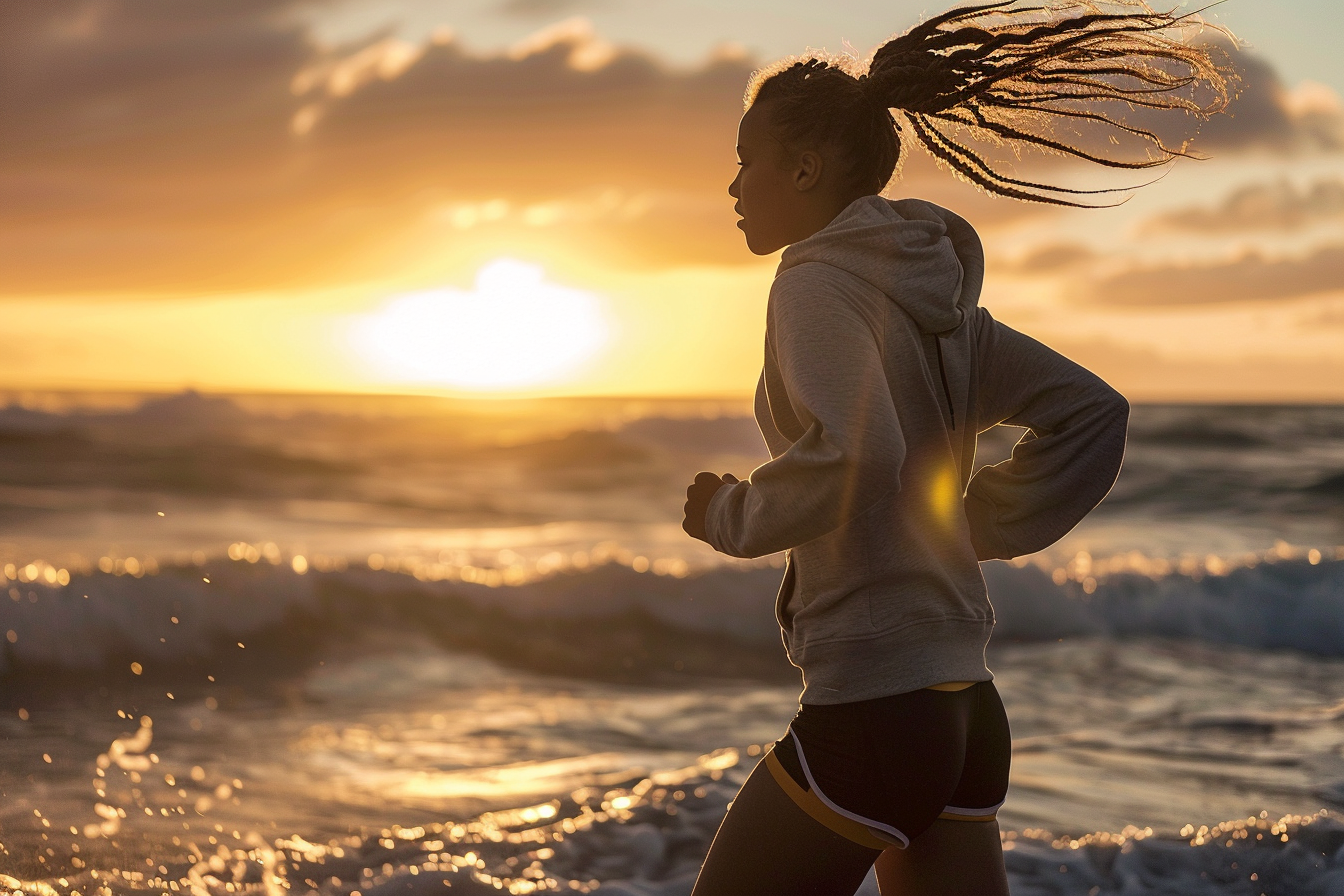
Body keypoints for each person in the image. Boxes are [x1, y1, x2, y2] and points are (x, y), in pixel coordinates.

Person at [679, 2, 1230, 893]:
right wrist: (971, 525)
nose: (735, 186)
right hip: (963, 713)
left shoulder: (813, 285)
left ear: (807, 167)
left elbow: (858, 455)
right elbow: (1095, 414)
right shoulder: (940, 305)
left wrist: (731, 515)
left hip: (876, 710)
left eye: (748, 161)